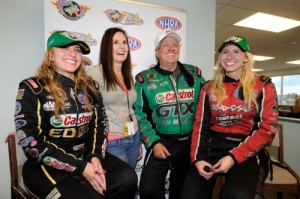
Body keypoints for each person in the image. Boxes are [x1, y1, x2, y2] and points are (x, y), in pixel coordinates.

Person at [13, 30, 137, 199]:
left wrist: (95, 157)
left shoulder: (90, 87)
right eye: (64, 48)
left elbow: (100, 126)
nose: (72, 53)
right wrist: (80, 167)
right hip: (44, 166)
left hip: (84, 157)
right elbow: (31, 142)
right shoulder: (32, 87)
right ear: (50, 55)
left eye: (77, 50)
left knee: (127, 177)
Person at [180, 35, 278, 199]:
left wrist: (233, 157)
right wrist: (197, 159)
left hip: (247, 149)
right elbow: (200, 126)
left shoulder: (263, 85)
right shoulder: (209, 88)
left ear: (246, 58)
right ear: (220, 58)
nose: (229, 56)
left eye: (236, 52)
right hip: (213, 148)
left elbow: (267, 130)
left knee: (235, 195)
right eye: (225, 52)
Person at [134, 29, 206, 199]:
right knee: (148, 189)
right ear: (157, 52)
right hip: (161, 142)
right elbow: (139, 114)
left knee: (182, 190)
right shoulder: (144, 79)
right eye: (166, 45)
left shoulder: (195, 74)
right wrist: (153, 142)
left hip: (189, 142)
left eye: (175, 45)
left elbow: (205, 109)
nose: (171, 48)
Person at [87, 27, 141, 169]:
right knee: (120, 184)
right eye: (115, 42)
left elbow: (130, 107)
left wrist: (138, 140)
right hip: (112, 141)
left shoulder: (127, 74)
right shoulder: (96, 72)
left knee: (130, 182)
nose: (121, 46)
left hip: (134, 137)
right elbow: (86, 108)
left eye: (124, 42)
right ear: (106, 47)